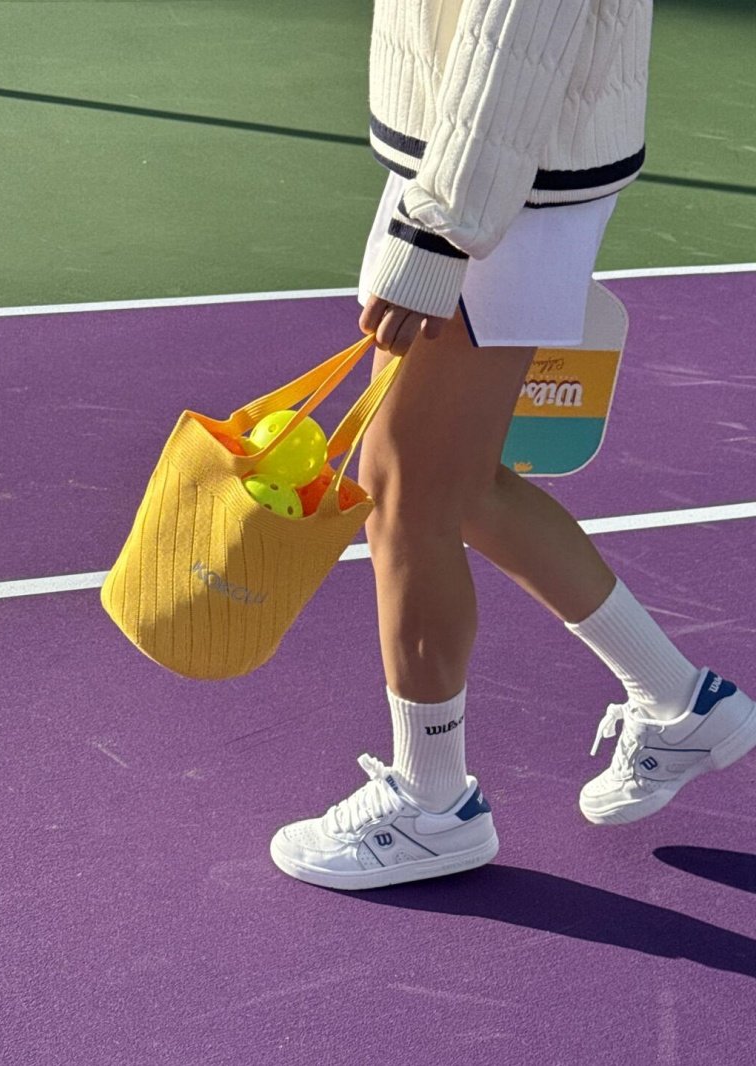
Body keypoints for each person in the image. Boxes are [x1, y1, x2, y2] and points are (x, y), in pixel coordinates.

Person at [269, 0, 756, 889]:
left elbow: (519, 29)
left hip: (491, 182)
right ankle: (681, 703)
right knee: (456, 485)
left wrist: (438, 230)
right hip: (485, 162)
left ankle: (432, 804)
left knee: (406, 494)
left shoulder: (469, 196)